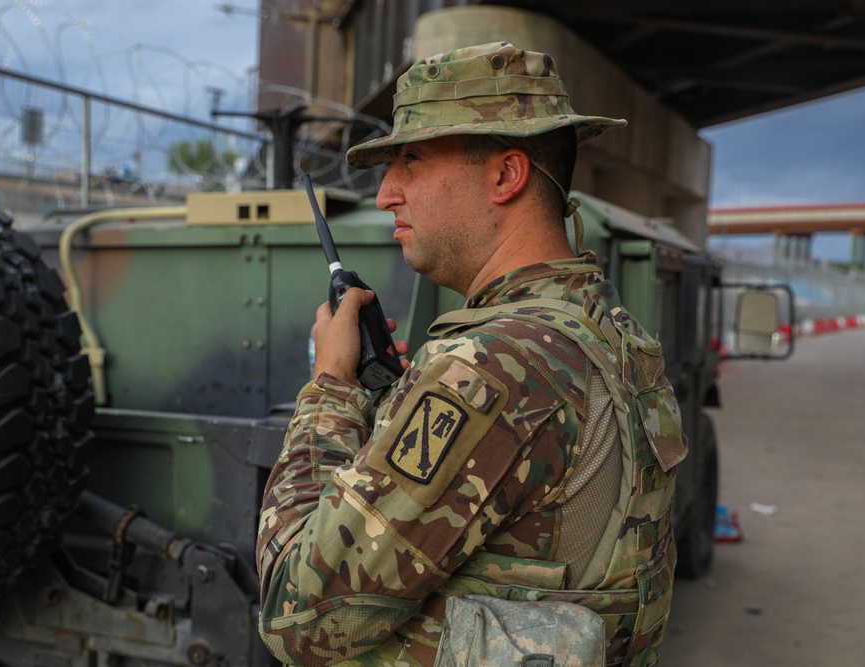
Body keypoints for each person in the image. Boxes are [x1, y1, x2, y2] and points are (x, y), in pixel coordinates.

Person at [257, 41, 687, 666]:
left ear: (506, 176)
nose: (385, 195)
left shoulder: (493, 366)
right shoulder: (606, 331)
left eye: (410, 161)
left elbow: (297, 616)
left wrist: (330, 387)